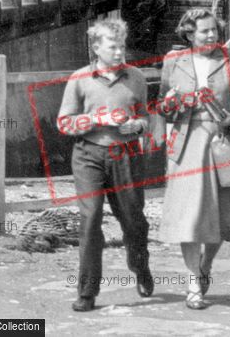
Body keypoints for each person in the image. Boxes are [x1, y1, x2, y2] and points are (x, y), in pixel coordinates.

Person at [158, 8, 230, 310]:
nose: (212, 35)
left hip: (223, 144)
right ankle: (192, 283)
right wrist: (170, 103)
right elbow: (163, 107)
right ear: (189, 33)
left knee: (220, 216)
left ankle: (205, 265)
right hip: (186, 146)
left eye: (215, 30)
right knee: (189, 217)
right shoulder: (172, 61)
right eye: (205, 31)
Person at [57, 19, 153, 312]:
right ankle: (87, 292)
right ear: (97, 48)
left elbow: (145, 118)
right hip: (88, 155)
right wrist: (97, 120)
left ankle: (140, 267)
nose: (119, 51)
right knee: (90, 221)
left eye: (122, 45)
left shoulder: (135, 77)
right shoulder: (80, 78)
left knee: (133, 219)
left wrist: (135, 125)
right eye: (113, 46)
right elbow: (63, 122)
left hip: (124, 155)